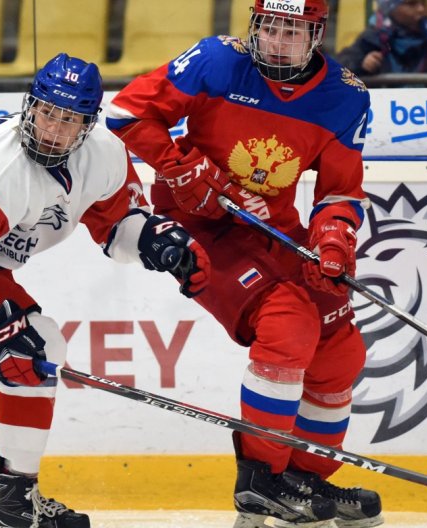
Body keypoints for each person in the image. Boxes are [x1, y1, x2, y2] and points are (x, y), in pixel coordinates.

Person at [0, 53, 209, 528]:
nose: (54, 129)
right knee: (35, 348)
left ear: (89, 124)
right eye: (47, 112)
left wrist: (158, 244)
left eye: (70, 119)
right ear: (29, 105)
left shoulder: (105, 153)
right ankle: (16, 499)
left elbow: (119, 225)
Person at [107, 1, 384, 527]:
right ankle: (261, 483)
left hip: (273, 230)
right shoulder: (217, 60)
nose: (276, 40)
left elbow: (340, 192)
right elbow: (126, 112)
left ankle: (303, 482)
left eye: (291, 31)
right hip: (199, 224)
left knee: (339, 349)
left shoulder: (345, 97)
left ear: (317, 34)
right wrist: (177, 168)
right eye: (269, 26)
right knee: (288, 325)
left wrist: (331, 242)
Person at [336, 0, 427, 76]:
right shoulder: (374, 37)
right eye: (411, 4)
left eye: (423, 2)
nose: (421, 9)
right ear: (391, 9)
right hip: (392, 111)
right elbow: (341, 68)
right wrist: (362, 64)